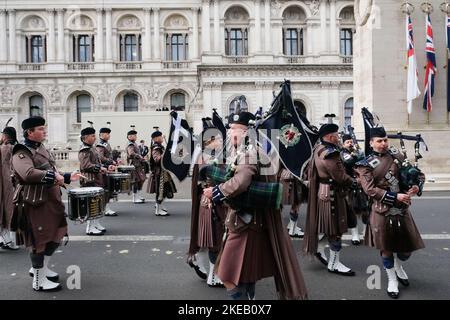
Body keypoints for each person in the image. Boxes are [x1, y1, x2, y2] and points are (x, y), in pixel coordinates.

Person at [203, 111, 308, 300]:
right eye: (230, 129)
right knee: (245, 275)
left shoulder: (249, 152)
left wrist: (216, 192)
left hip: (245, 223)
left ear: (246, 132)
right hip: (248, 221)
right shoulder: (247, 150)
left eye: (234, 129)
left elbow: (242, 181)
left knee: (227, 276)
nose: (229, 133)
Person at [11, 116, 80, 291]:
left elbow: (51, 169)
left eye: (44, 127)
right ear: (30, 132)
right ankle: (38, 282)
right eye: (40, 128)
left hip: (51, 199)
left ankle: (41, 269)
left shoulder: (41, 148)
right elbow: (27, 173)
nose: (45, 131)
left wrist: (65, 176)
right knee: (39, 240)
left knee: (58, 233)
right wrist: (53, 177)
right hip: (34, 201)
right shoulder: (21, 151)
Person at [354, 127, 425, 299]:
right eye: (379, 140)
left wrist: (416, 186)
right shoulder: (364, 165)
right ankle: (392, 279)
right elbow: (370, 190)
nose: (384, 143)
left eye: (385, 140)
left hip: (401, 210)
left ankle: (399, 266)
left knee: (406, 250)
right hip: (381, 211)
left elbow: (417, 175)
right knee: (386, 249)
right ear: (371, 143)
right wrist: (395, 196)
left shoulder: (398, 157)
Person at [303, 122, 356, 276]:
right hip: (333, 194)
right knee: (336, 230)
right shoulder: (331, 153)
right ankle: (334, 264)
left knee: (330, 228)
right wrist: (355, 181)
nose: (339, 137)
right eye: (337, 134)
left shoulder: (318, 148)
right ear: (331, 136)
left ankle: (319, 249)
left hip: (323, 192)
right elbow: (340, 176)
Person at [187, 118, 226, 287]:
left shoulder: (211, 156)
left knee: (209, 240)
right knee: (214, 241)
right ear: (208, 142)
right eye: (217, 139)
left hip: (211, 202)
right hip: (210, 204)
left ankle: (199, 262)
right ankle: (213, 275)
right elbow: (210, 181)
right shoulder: (205, 158)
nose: (220, 141)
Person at [79, 126, 114, 235]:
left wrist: (105, 167)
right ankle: (90, 227)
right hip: (89, 180)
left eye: (94, 135)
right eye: (92, 136)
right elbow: (86, 165)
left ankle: (96, 223)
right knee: (91, 204)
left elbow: (97, 162)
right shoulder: (84, 150)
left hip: (95, 179)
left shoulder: (92, 148)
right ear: (85, 138)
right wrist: (100, 168)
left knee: (97, 203)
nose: (95, 138)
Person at [340, 133, 368, 245]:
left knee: (365, 209)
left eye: (351, 141)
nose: (350, 143)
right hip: (349, 185)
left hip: (361, 184)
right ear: (343, 144)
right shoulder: (342, 153)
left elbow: (364, 161)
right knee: (352, 210)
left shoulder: (357, 151)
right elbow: (349, 161)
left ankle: (366, 232)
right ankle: (355, 234)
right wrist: (358, 155)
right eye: (348, 142)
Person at [147, 128, 177, 216]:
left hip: (164, 171)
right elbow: (157, 159)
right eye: (160, 136)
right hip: (159, 172)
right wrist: (166, 154)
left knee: (166, 189)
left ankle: (160, 206)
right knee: (160, 190)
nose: (162, 138)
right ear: (156, 138)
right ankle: (158, 210)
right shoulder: (156, 148)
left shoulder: (160, 146)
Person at [0, 126, 20, 250]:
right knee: (7, 209)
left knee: (5, 209)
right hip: (7, 181)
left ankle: (5, 239)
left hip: (6, 180)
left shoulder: (6, 148)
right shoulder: (13, 148)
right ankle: (6, 239)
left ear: (6, 136)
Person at [96, 126, 118, 216]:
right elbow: (100, 157)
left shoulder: (106, 144)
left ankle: (106, 207)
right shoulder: (100, 145)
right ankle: (105, 208)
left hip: (108, 168)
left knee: (108, 189)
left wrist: (114, 161)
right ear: (101, 135)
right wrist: (110, 161)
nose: (109, 135)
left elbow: (109, 156)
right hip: (104, 170)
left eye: (109, 134)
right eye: (107, 134)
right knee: (105, 189)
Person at [279, 168, 307, 238]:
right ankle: (292, 230)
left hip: (283, 176)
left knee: (280, 203)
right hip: (296, 177)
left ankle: (288, 226)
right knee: (296, 204)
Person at [126, 128, 147, 203]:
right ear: (129, 137)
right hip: (133, 166)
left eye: (135, 135)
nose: (135, 136)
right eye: (133, 135)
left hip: (138, 165)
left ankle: (138, 194)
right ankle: (134, 198)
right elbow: (131, 153)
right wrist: (139, 156)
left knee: (141, 180)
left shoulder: (134, 143)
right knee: (135, 181)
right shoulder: (130, 144)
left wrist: (141, 159)